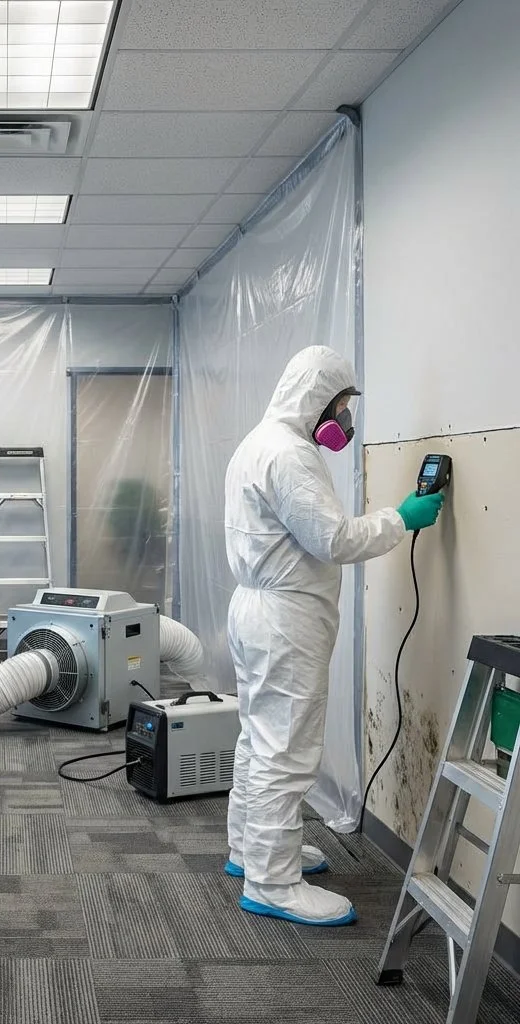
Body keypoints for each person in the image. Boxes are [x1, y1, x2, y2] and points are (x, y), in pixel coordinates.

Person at [223, 345, 443, 926]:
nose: (345, 419)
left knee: (259, 739)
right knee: (285, 751)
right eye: (342, 405)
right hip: (284, 620)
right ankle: (273, 883)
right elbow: (334, 539)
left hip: (255, 610)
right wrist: (401, 518)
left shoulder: (257, 443)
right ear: (316, 399)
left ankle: (250, 850)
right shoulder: (289, 454)